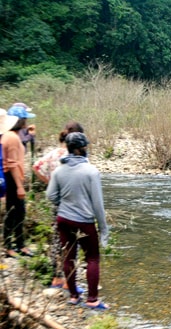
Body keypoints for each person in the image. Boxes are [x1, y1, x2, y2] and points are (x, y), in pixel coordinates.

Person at [46, 132, 110, 309]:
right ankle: (92, 300)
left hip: (64, 220)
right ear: (82, 149)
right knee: (92, 259)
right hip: (84, 222)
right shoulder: (91, 171)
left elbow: (50, 195)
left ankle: (74, 296)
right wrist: (103, 228)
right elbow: (98, 204)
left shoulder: (59, 170)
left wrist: (64, 204)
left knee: (69, 257)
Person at [32, 121, 85, 288]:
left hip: (57, 202)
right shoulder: (77, 156)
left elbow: (36, 166)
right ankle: (68, 281)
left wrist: (50, 183)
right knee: (71, 242)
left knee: (57, 238)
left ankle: (56, 277)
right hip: (73, 202)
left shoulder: (54, 153)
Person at [2, 106, 34, 258]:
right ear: (19, 121)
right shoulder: (12, 138)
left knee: (16, 212)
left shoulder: (10, 135)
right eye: (24, 119)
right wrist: (20, 187)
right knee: (16, 212)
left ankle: (17, 244)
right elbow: (13, 163)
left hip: (12, 178)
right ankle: (12, 245)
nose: (26, 122)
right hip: (13, 179)